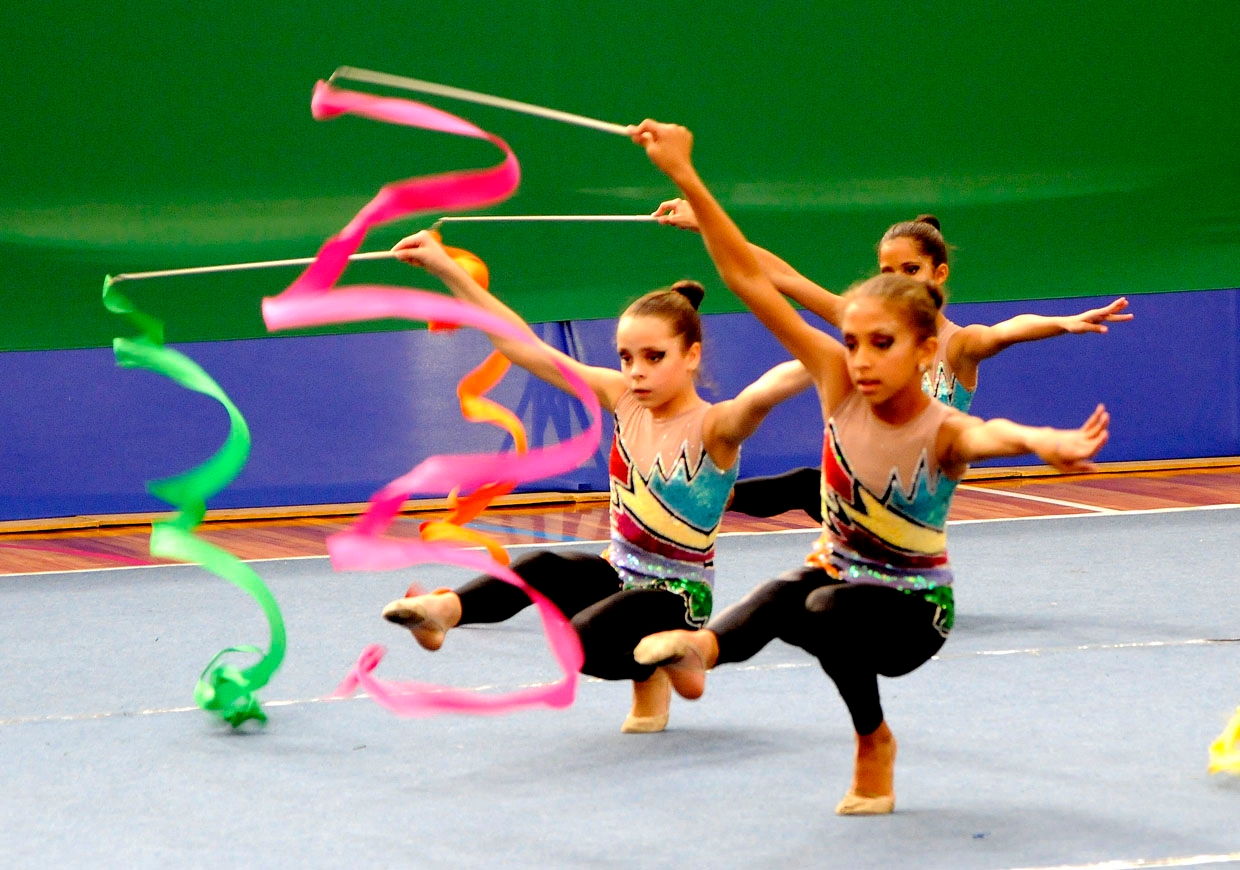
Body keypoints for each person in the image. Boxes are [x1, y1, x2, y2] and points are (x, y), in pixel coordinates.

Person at [627, 119, 1111, 814]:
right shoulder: (837, 379)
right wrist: (687, 178)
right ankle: (707, 651)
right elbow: (752, 278)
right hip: (839, 576)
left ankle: (868, 739)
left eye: (880, 344)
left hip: (913, 613)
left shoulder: (943, 417)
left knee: (821, 601)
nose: (858, 359)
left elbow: (989, 432)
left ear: (923, 350)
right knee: (795, 588)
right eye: (851, 342)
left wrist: (1045, 440)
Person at [382, 229, 812, 733]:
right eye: (626, 357)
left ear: (691, 355)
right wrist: (447, 269)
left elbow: (771, 387)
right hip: (618, 571)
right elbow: (523, 347)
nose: (636, 372)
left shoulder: (715, 427)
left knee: (580, 642)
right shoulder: (622, 398)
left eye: (654, 357)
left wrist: (845, 348)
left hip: (677, 596)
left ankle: (670, 657)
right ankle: (443, 612)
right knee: (542, 565)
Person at [653, 199, 1131, 522]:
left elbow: (1008, 329)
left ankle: (706, 500)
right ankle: (703, 499)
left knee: (805, 487)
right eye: (888, 271)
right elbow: (785, 278)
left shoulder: (957, 346)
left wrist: (1063, 321)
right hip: (864, 481)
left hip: (910, 498)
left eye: (912, 269)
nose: (900, 279)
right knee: (807, 484)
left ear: (939, 274)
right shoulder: (867, 324)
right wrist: (706, 222)